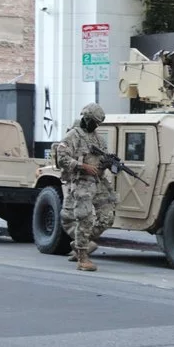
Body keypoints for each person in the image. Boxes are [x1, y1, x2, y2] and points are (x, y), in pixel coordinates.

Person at [56, 103, 117, 271]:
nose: (95, 126)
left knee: (106, 217)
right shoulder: (73, 136)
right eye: (94, 122)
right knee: (85, 217)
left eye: (98, 123)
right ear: (86, 118)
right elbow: (61, 157)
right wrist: (82, 166)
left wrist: (108, 164)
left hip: (98, 181)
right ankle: (82, 257)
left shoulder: (98, 139)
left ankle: (80, 242)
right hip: (81, 181)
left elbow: (102, 160)